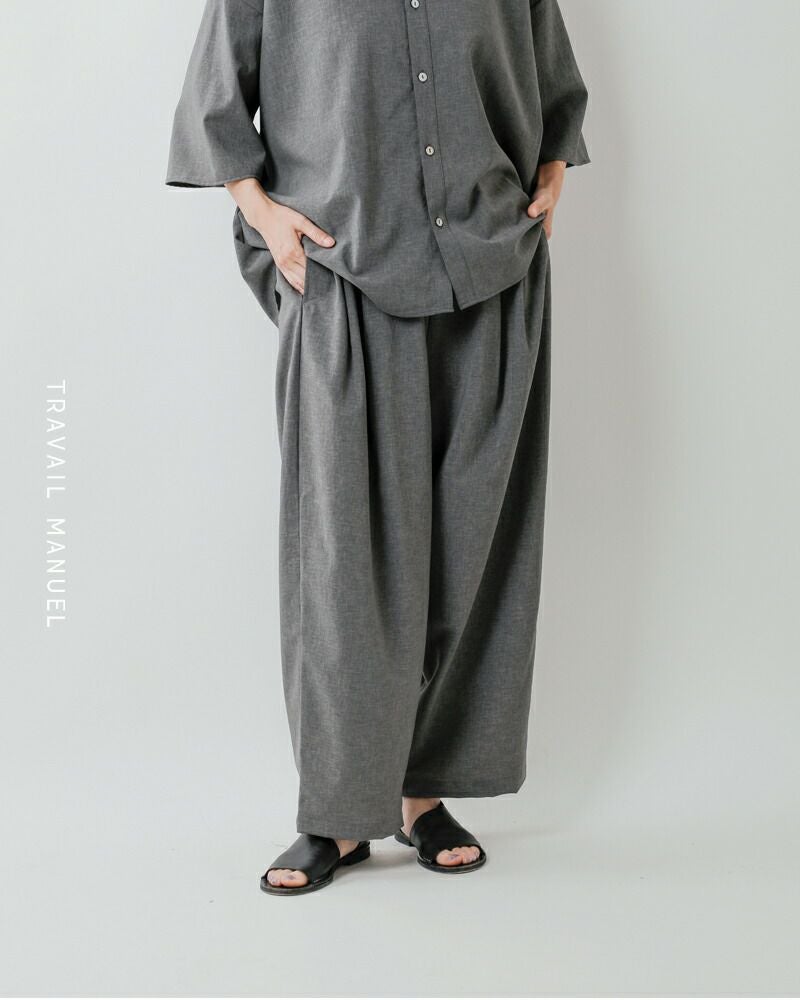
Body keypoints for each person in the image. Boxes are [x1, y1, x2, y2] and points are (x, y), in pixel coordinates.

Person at [166, 0, 589, 896]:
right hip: (345, 270)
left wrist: (553, 174)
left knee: (473, 549)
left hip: (492, 266)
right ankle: (336, 812)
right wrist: (263, 214)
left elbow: (550, 76)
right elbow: (215, 100)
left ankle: (421, 794)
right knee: (344, 562)